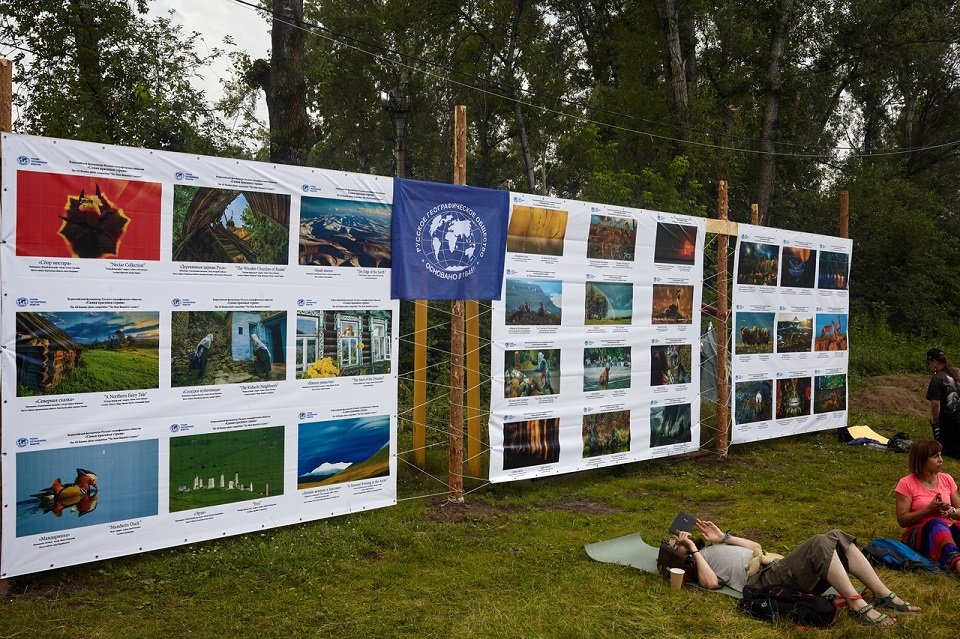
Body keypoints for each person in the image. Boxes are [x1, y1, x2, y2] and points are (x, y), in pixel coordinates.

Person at [672, 519, 919, 628]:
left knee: (837, 536)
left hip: (771, 564)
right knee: (819, 543)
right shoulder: (700, 559)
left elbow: (755, 549)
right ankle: (858, 604)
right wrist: (692, 550)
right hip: (763, 582)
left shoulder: (713, 548)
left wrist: (723, 537)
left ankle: (883, 594)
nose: (677, 540)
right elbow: (711, 583)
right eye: (674, 544)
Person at [894, 438, 960, 573]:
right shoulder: (906, 483)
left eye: (941, 455)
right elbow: (902, 520)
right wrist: (929, 510)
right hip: (919, 534)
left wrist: (950, 510)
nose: (941, 460)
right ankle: (956, 564)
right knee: (936, 524)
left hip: (947, 531)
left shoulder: (946, 479)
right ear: (922, 459)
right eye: (936, 456)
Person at [925, 348, 960, 457]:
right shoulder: (953, 376)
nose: (929, 365)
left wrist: (936, 422)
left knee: (946, 451)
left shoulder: (937, 378)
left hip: (949, 423)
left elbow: (936, 405)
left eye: (929, 363)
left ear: (934, 362)